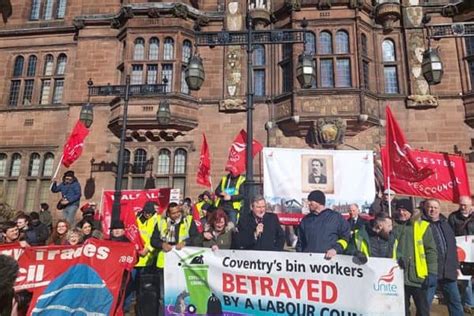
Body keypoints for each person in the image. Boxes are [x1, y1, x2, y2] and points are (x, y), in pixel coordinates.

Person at [151, 202, 200, 316]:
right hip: (164, 264)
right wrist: (161, 244)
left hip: (183, 263)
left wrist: (185, 242)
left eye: (178, 212)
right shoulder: (161, 222)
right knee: (164, 295)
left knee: (182, 295)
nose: (176, 215)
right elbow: (153, 240)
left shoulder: (188, 220)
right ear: (168, 213)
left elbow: (197, 237)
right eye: (173, 213)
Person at [393, 199, 438, 316]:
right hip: (399, 276)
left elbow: (431, 251)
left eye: (404, 210)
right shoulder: (392, 227)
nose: (401, 213)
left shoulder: (422, 226)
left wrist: (432, 272)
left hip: (418, 276)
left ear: (410, 212)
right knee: (402, 310)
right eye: (399, 210)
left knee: (423, 310)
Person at [423, 199, 464, 316]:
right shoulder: (421, 225)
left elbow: (452, 246)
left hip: (448, 270)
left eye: (435, 207)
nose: (433, 210)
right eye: (430, 207)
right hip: (431, 270)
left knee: (455, 302)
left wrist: (455, 266)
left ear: (439, 209)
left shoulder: (446, 224)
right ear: (425, 209)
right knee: (425, 302)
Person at [296, 190, 351, 259]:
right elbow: (300, 243)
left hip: (329, 263)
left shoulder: (336, 218)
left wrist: (335, 249)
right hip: (309, 263)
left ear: (318, 202)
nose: (308, 203)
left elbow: (346, 238)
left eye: (311, 201)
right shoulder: (305, 220)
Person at [448, 195, 474, 313]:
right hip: (462, 252)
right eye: (461, 204)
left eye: (465, 205)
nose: (463, 207)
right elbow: (450, 233)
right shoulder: (453, 217)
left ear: (471, 205)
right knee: (466, 280)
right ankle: (469, 303)